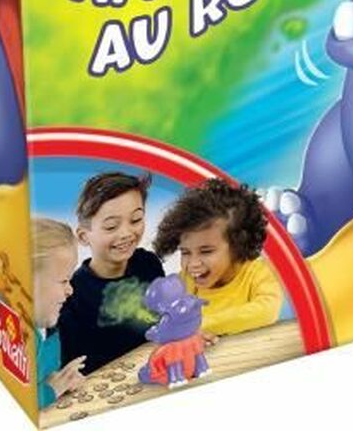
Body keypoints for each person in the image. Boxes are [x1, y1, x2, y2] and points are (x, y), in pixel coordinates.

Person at [58, 171, 164, 373]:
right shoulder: (70, 295)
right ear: (83, 236)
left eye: (136, 219)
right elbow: (69, 369)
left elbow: (167, 320)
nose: (126, 233)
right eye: (111, 226)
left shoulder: (148, 264)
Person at [154, 178, 282, 335]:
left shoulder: (258, 272)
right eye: (185, 252)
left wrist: (200, 325)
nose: (193, 264)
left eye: (206, 251)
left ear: (238, 246)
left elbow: (267, 310)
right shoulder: (185, 282)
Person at [31, 218, 87, 411]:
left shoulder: (50, 329)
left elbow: (43, 376)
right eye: (64, 281)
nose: (70, 290)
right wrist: (52, 390)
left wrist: (63, 379)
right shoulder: (13, 333)